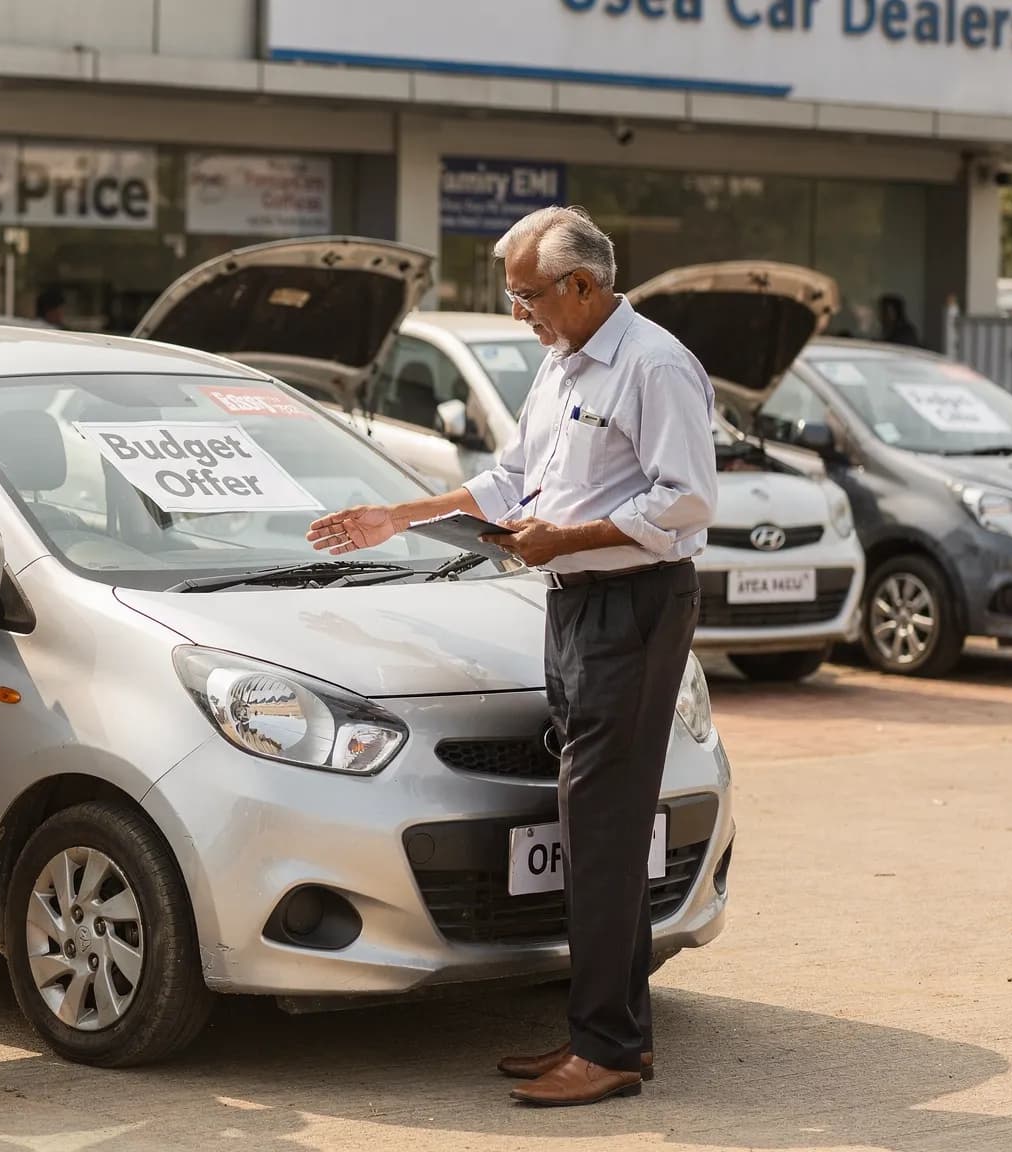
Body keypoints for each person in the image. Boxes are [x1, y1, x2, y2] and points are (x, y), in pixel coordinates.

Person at [306, 206, 716, 1108]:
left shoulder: (655, 364)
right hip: (573, 603)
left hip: (632, 606)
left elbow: (685, 507)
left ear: (583, 284)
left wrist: (564, 538)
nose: (520, 310)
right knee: (587, 826)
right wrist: (398, 517)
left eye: (528, 294)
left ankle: (605, 1050)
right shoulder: (561, 362)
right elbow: (510, 480)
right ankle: (614, 1036)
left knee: (604, 831)